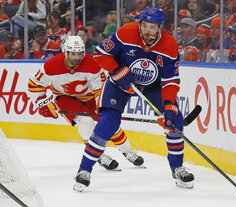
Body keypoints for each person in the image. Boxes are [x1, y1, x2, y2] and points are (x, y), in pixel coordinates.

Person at [74, 7, 194, 192]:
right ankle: (84, 170)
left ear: (160, 28)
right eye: (144, 25)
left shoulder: (169, 45)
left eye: (152, 27)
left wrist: (169, 105)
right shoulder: (126, 32)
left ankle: (177, 168)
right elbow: (100, 53)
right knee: (108, 123)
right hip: (119, 83)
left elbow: (171, 80)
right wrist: (116, 70)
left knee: (175, 120)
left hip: (151, 86)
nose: (147, 30)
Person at [28, 35, 144, 174]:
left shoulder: (92, 64)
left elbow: (100, 90)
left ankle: (128, 152)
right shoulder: (51, 65)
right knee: (84, 122)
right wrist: (41, 103)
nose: (77, 57)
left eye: (80, 53)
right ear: (66, 52)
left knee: (108, 123)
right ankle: (98, 155)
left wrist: (104, 109)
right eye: (73, 54)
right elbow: (34, 85)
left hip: (89, 97)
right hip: (64, 98)